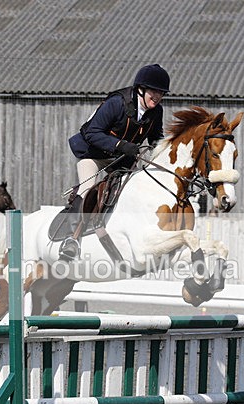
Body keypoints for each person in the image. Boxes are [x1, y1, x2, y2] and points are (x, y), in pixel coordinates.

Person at [60, 63, 170, 261]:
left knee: (134, 190)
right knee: (87, 188)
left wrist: (162, 149)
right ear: (141, 89)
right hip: (92, 153)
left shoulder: (156, 111)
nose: (157, 96)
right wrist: (122, 145)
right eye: (154, 91)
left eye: (161, 93)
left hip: (122, 159)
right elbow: (91, 132)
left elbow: (155, 138)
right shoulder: (116, 103)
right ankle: (71, 239)